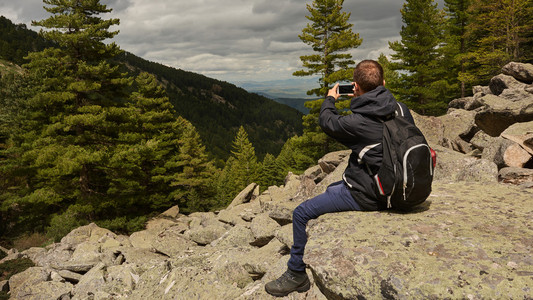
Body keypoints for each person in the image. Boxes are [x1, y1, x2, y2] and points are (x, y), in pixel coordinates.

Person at [264, 60, 415, 297]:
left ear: (355, 87)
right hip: (406, 186)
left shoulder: (358, 122)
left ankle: (296, 274)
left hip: (372, 195)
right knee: (334, 187)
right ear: (384, 83)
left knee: (301, 213)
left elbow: (327, 121)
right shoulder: (401, 109)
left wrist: (330, 98)